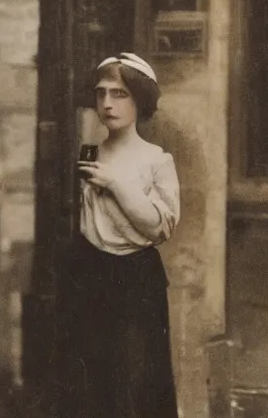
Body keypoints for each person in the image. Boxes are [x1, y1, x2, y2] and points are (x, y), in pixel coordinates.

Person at [62, 52, 181, 417]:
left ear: (140, 100)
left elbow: (160, 226)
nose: (108, 103)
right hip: (89, 274)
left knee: (134, 383)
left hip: (135, 281)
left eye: (120, 94)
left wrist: (115, 183)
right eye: (101, 94)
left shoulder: (156, 161)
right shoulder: (89, 154)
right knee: (88, 382)